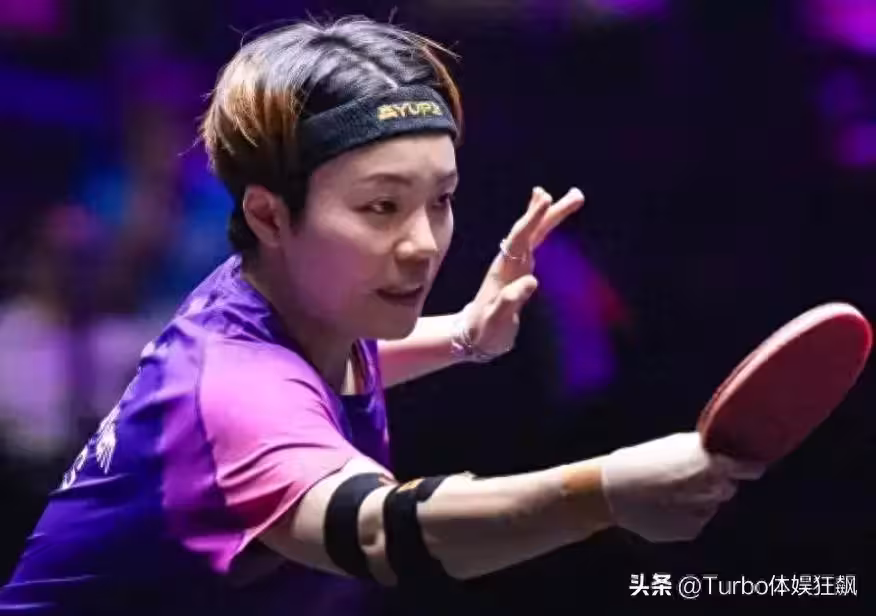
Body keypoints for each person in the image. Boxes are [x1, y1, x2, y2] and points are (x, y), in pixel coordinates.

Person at [0, 17, 763, 615]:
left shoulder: (275, 300)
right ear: (269, 214)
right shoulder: (232, 388)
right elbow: (383, 533)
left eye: (441, 199)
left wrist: (462, 336)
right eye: (381, 207)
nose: (423, 244)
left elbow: (331, 370)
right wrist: (606, 493)